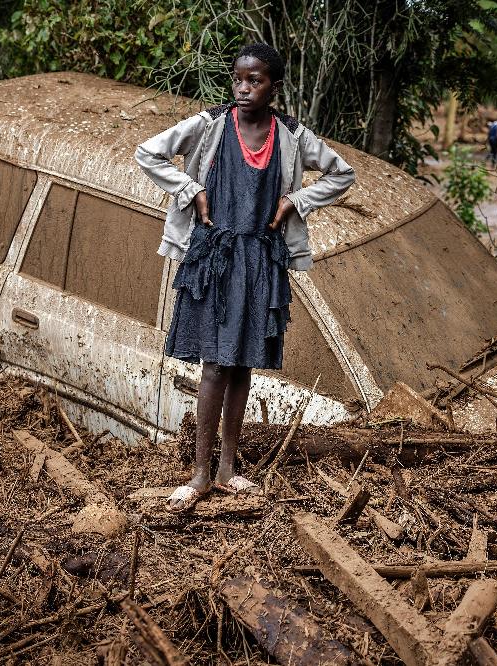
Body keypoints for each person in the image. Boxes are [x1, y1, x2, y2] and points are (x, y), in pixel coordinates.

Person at [135, 43, 355, 512]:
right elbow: (149, 152)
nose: (243, 88)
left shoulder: (292, 135)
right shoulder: (211, 124)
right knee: (214, 366)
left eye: (255, 81)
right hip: (215, 258)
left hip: (261, 261)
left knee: (241, 367)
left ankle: (228, 470)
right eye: (238, 79)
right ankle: (198, 474)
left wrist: (297, 200)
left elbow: (342, 173)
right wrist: (190, 190)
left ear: (275, 86)